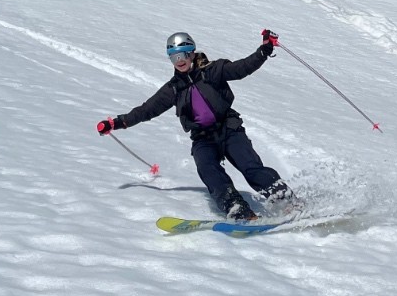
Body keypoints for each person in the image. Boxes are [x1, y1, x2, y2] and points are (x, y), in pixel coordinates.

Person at [98, 30, 292, 222]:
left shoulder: (213, 71)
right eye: (173, 58)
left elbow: (242, 68)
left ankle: (286, 201)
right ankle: (236, 207)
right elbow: (147, 110)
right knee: (206, 167)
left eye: (182, 55)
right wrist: (117, 123)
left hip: (229, 129)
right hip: (202, 137)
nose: (179, 61)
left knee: (250, 167)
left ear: (191, 53)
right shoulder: (174, 88)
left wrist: (264, 50)